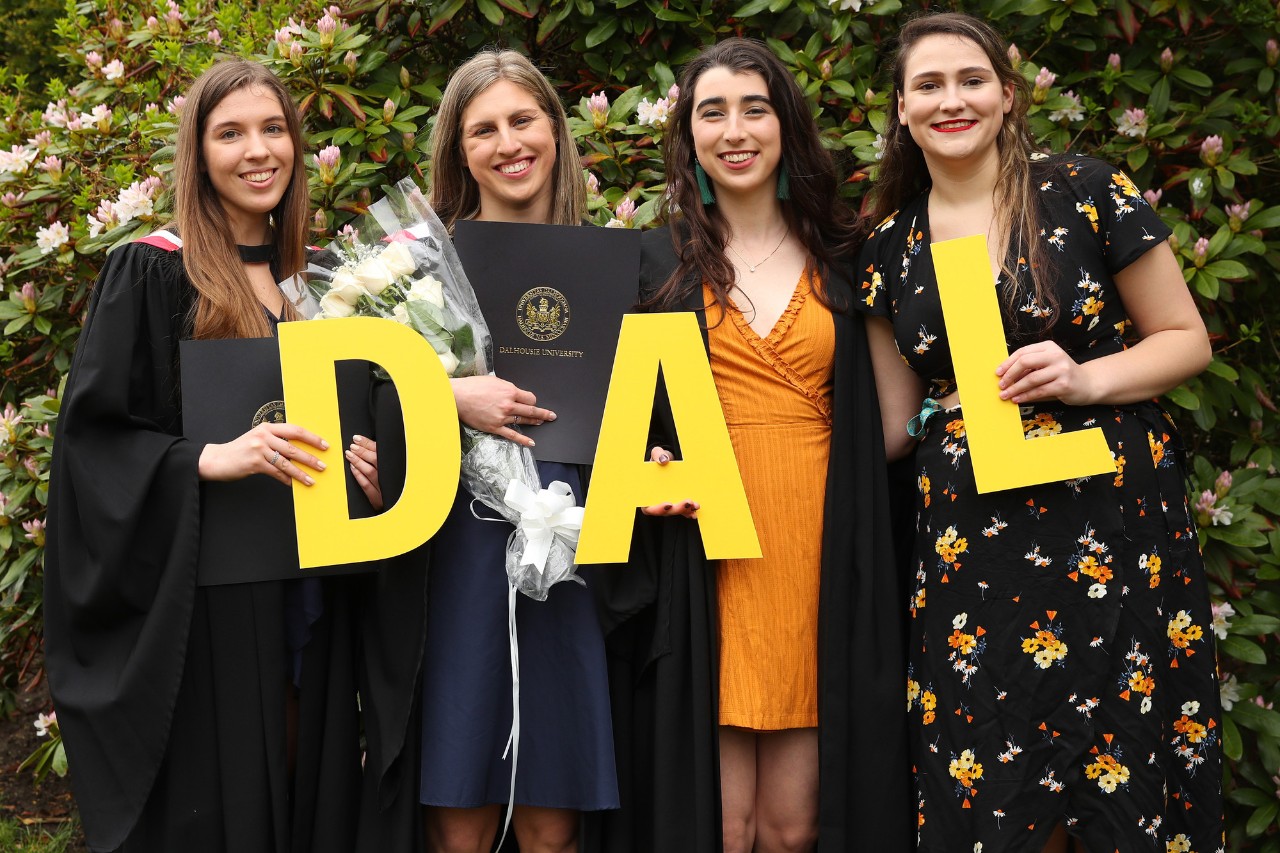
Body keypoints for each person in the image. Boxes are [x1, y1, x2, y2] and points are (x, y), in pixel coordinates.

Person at [858, 12, 1223, 853]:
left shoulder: (1089, 190)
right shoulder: (885, 247)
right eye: (929, 85)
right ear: (902, 112)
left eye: (972, 80)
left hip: (1108, 519)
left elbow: (1186, 338)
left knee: (1121, 763)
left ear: (1009, 96)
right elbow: (892, 421)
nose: (953, 100)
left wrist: (1085, 376)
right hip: (971, 544)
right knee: (992, 775)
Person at [42, 60, 416, 852]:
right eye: (231, 133)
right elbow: (91, 443)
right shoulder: (153, 270)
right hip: (214, 599)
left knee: (304, 783)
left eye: (273, 129)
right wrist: (202, 459)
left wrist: (375, 472)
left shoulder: (326, 289)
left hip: (316, 589)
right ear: (199, 153)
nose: (258, 151)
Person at [592, 38, 912, 853]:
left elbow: (892, 419)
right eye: (712, 112)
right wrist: (644, 466)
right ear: (689, 137)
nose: (735, 129)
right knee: (720, 824)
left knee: (796, 824)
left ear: (785, 126)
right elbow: (610, 418)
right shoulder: (651, 265)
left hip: (819, 545)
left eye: (754, 108)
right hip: (705, 554)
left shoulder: (848, 253)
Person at [417, 49, 619, 853]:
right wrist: (444, 396)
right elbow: (359, 408)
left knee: (551, 810)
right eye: (484, 129)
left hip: (569, 546)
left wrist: (658, 461)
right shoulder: (419, 272)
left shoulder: (611, 263)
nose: (508, 143)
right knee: (460, 807)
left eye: (523, 120)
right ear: (458, 149)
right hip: (457, 548)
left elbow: (642, 411)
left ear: (555, 131)